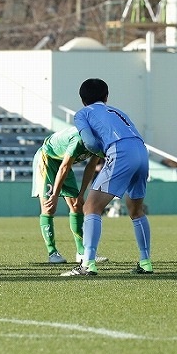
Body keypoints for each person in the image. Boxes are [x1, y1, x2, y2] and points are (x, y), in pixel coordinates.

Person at [61, 78, 152, 277]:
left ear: (82, 99)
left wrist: (105, 153)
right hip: (141, 151)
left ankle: (88, 263)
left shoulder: (83, 113)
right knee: (136, 210)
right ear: (106, 96)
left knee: (91, 207)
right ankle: (145, 262)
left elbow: (90, 142)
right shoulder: (118, 111)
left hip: (120, 151)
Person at [31, 125, 105, 264]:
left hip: (63, 164)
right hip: (47, 159)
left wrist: (82, 193)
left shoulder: (100, 142)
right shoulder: (78, 140)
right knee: (49, 207)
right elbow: (64, 167)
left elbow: (91, 167)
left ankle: (82, 252)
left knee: (77, 206)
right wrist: (54, 195)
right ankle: (52, 253)